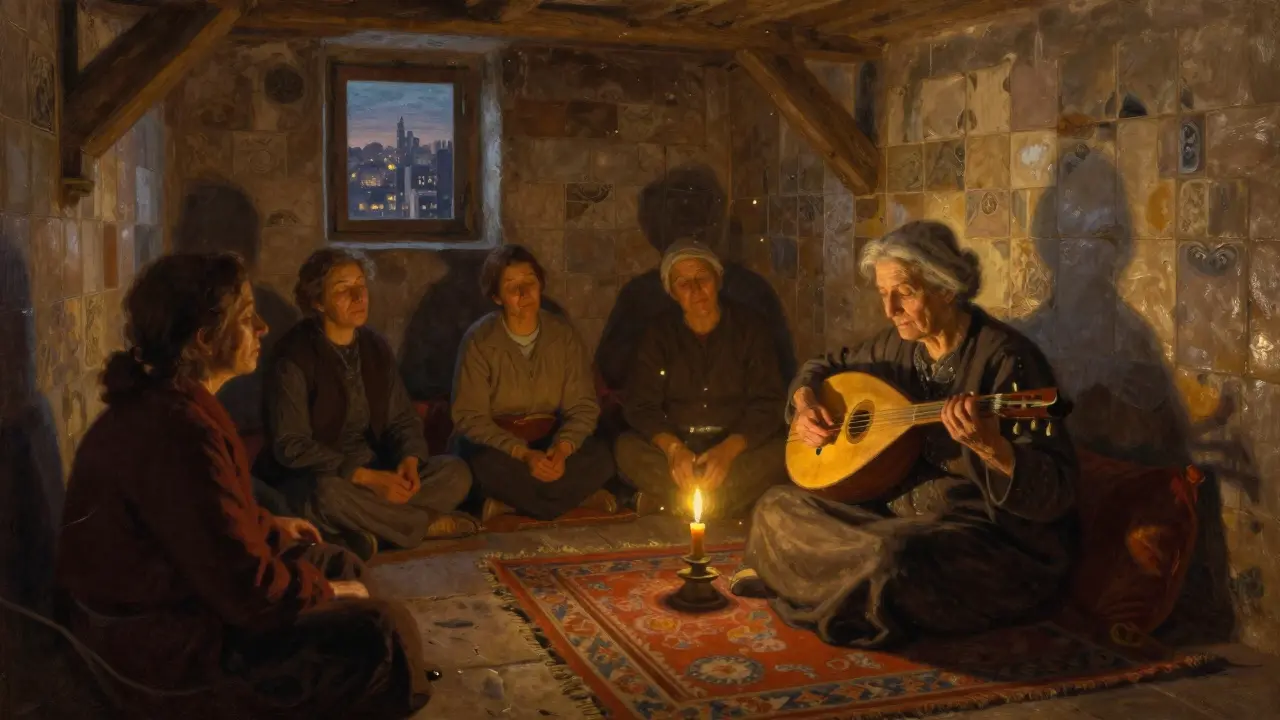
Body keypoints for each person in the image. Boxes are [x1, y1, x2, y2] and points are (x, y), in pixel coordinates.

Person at [54, 253, 434, 719]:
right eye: (247, 317)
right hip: (162, 649)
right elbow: (246, 589)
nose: (262, 328)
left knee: (338, 560)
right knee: (379, 632)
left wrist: (270, 526)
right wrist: (326, 593)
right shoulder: (180, 432)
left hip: (188, 603)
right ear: (205, 338)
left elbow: (209, 521)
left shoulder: (182, 410)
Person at [734, 221, 1080, 649]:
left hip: (980, 539)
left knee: (895, 559)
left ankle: (807, 580)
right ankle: (842, 585)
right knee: (775, 506)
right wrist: (805, 402)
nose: (890, 309)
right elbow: (820, 367)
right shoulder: (896, 347)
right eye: (883, 294)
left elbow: (1058, 493)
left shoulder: (1008, 361)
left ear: (947, 289)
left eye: (906, 292)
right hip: (887, 515)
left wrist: (992, 448)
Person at [255, 249, 476, 561]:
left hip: (376, 468)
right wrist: (367, 479)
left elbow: (402, 418)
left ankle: (367, 532)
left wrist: (409, 461)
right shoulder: (293, 357)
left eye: (361, 285)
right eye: (343, 289)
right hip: (323, 477)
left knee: (456, 471)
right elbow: (291, 445)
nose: (359, 296)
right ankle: (420, 525)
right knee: (326, 497)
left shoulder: (374, 347)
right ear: (318, 302)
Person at [615, 239, 788, 519]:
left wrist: (728, 451)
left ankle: (677, 503)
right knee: (625, 449)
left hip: (734, 449)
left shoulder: (750, 328)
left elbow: (768, 402)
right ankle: (719, 504)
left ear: (717, 280)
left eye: (702, 279)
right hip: (679, 448)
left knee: (782, 452)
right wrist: (673, 450)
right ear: (672, 292)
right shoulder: (658, 333)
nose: (696, 291)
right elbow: (641, 405)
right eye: (684, 283)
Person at [452, 244, 617, 522]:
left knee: (604, 455)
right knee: (479, 465)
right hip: (503, 448)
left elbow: (583, 406)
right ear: (497, 297)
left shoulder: (562, 335)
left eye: (529, 282)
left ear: (540, 285)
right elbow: (470, 418)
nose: (523, 293)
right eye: (511, 287)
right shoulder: (479, 340)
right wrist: (523, 454)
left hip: (551, 442)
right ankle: (574, 498)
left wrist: (563, 449)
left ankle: (512, 505)